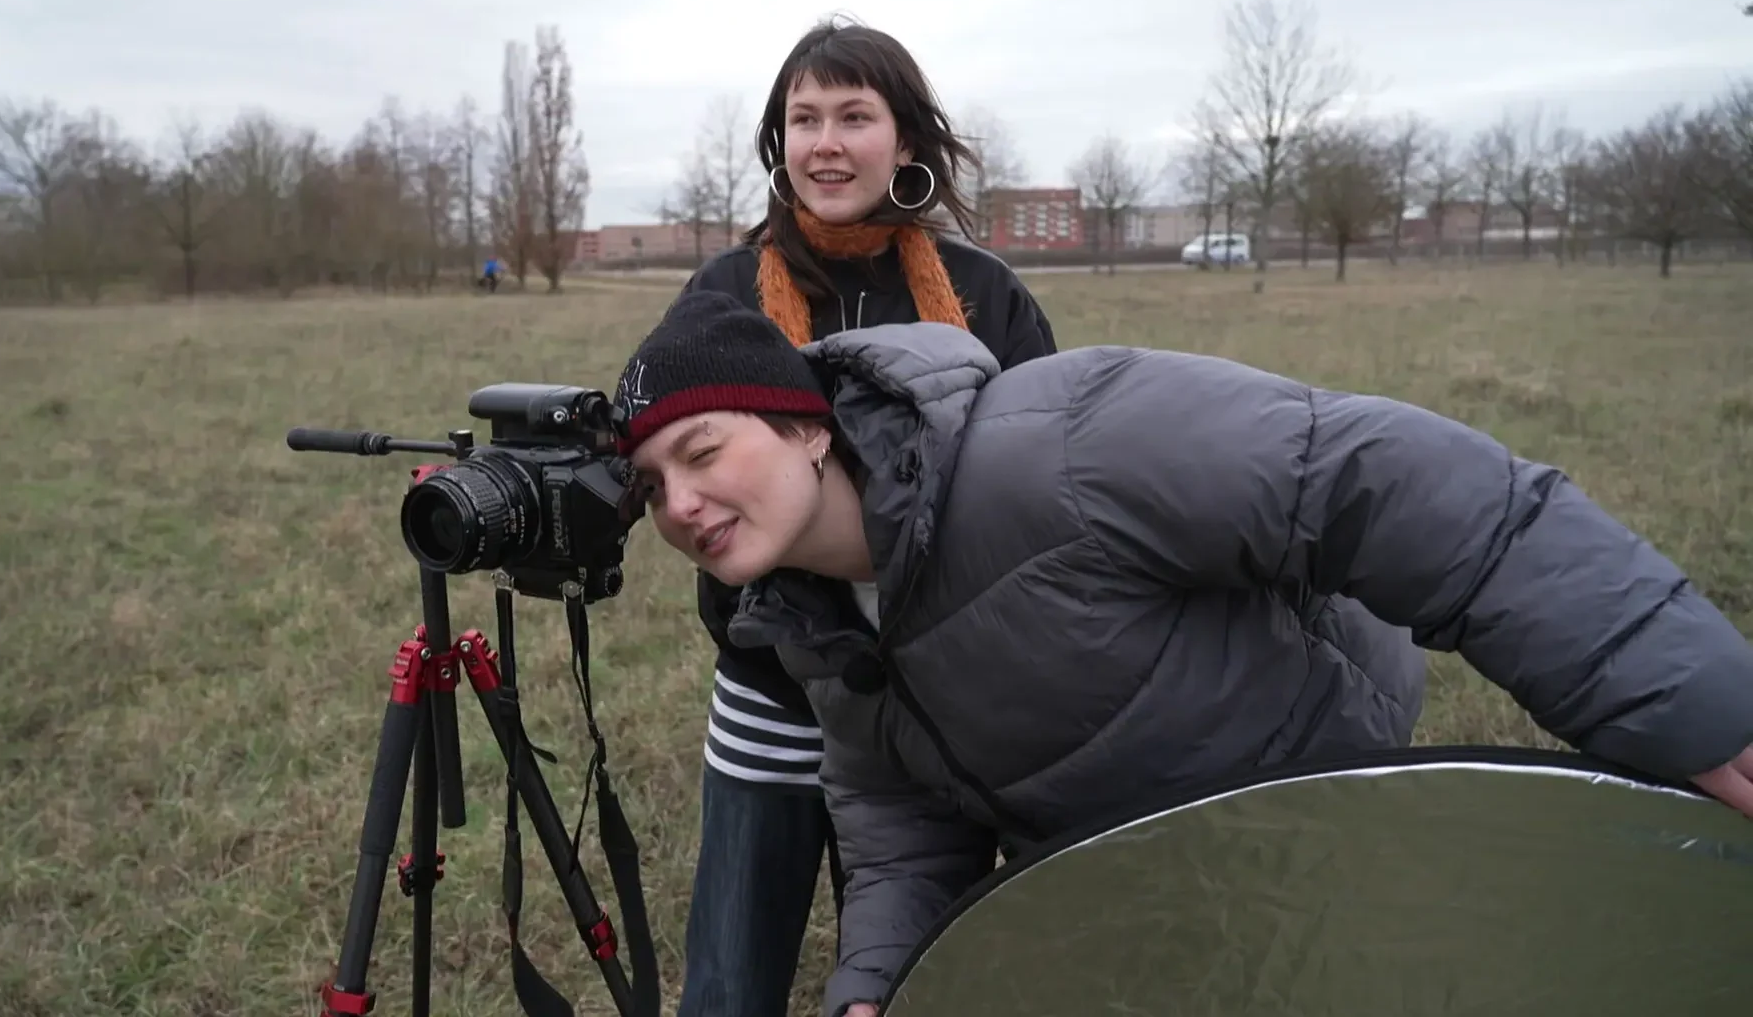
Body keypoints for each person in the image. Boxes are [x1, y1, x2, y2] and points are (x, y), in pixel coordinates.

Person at [612, 290, 1753, 1017]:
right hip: (1147, 892)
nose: (683, 503)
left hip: (1332, 829)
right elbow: (906, 837)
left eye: (704, 449)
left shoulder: (1062, 445)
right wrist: (873, 990)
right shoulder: (809, 628)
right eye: (652, 485)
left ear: (806, 424)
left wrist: (1690, 700)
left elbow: (1400, 489)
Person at [657, 17, 1059, 1017]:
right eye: (803, 118)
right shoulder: (722, 298)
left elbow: (1045, 485)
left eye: (853, 114)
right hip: (774, 689)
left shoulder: (984, 296)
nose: (825, 141)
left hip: (941, 702)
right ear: (777, 142)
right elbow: (676, 470)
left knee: (918, 975)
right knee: (730, 978)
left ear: (907, 141)